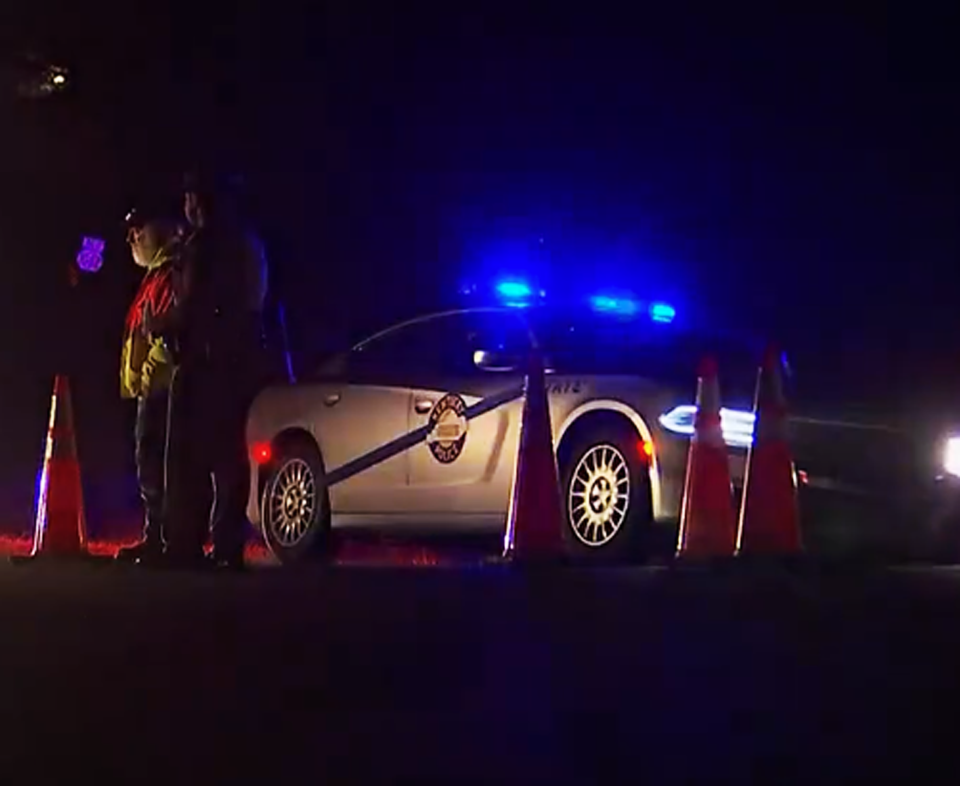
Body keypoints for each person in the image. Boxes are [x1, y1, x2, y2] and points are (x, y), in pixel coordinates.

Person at [162, 170, 268, 570]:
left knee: (187, 458)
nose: (187, 207)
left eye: (191, 198)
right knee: (228, 458)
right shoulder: (249, 245)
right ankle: (226, 546)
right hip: (239, 363)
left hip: (202, 363)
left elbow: (192, 305)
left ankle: (184, 545)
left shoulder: (203, 246)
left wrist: (161, 324)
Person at [115, 211, 182, 565]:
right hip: (151, 387)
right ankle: (155, 536)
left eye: (139, 230)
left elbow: (166, 337)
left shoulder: (171, 274)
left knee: (155, 464)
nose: (133, 239)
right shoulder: (155, 277)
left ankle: (161, 539)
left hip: (160, 389)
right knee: (150, 463)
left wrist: (146, 379)